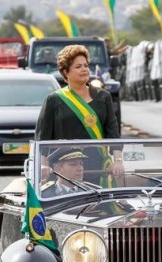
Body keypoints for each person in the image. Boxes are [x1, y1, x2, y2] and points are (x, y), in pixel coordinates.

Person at [36, 44, 123, 185]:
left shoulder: (103, 96)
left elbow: (113, 133)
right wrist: (43, 165)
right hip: (64, 169)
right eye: (78, 67)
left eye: (86, 65)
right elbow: (42, 138)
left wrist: (118, 161)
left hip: (97, 167)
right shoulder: (54, 100)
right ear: (66, 72)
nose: (84, 69)